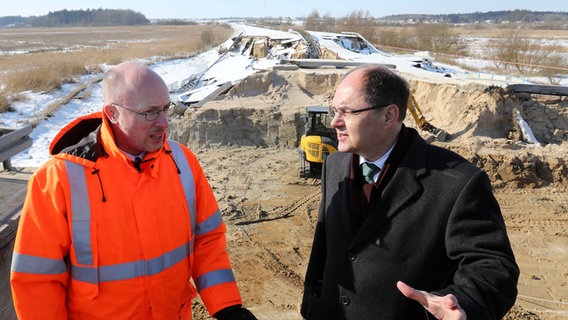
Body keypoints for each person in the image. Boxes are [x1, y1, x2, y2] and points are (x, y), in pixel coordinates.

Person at [10, 61, 257, 320]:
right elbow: (37, 280)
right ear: (113, 113)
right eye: (150, 112)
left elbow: (207, 240)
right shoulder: (58, 179)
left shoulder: (183, 163)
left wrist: (226, 305)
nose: (164, 122)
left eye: (165, 108)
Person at [300, 65, 519, 320]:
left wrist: (463, 303)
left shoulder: (458, 182)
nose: (334, 122)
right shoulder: (334, 165)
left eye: (347, 112)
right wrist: (312, 304)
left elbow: (494, 268)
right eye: (334, 110)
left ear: (388, 116)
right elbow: (324, 249)